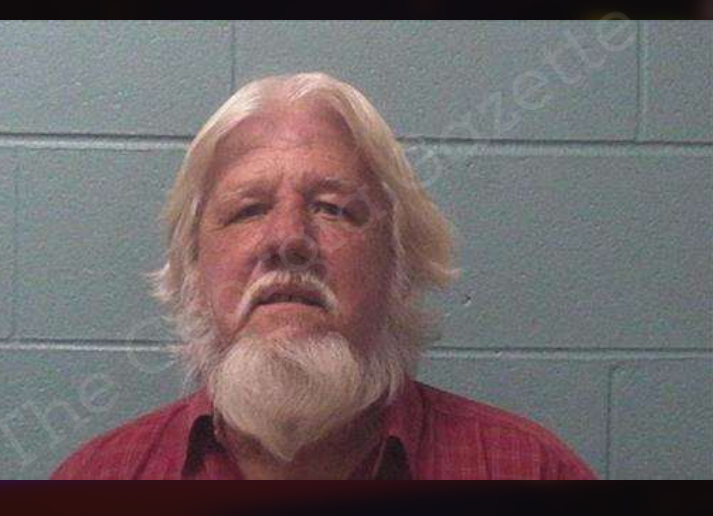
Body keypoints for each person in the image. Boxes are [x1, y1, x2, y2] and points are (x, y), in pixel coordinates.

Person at [52, 72, 596, 480]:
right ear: (193, 266)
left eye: (333, 209)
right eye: (248, 210)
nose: (288, 240)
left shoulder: (529, 470)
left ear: (400, 263)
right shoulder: (100, 477)